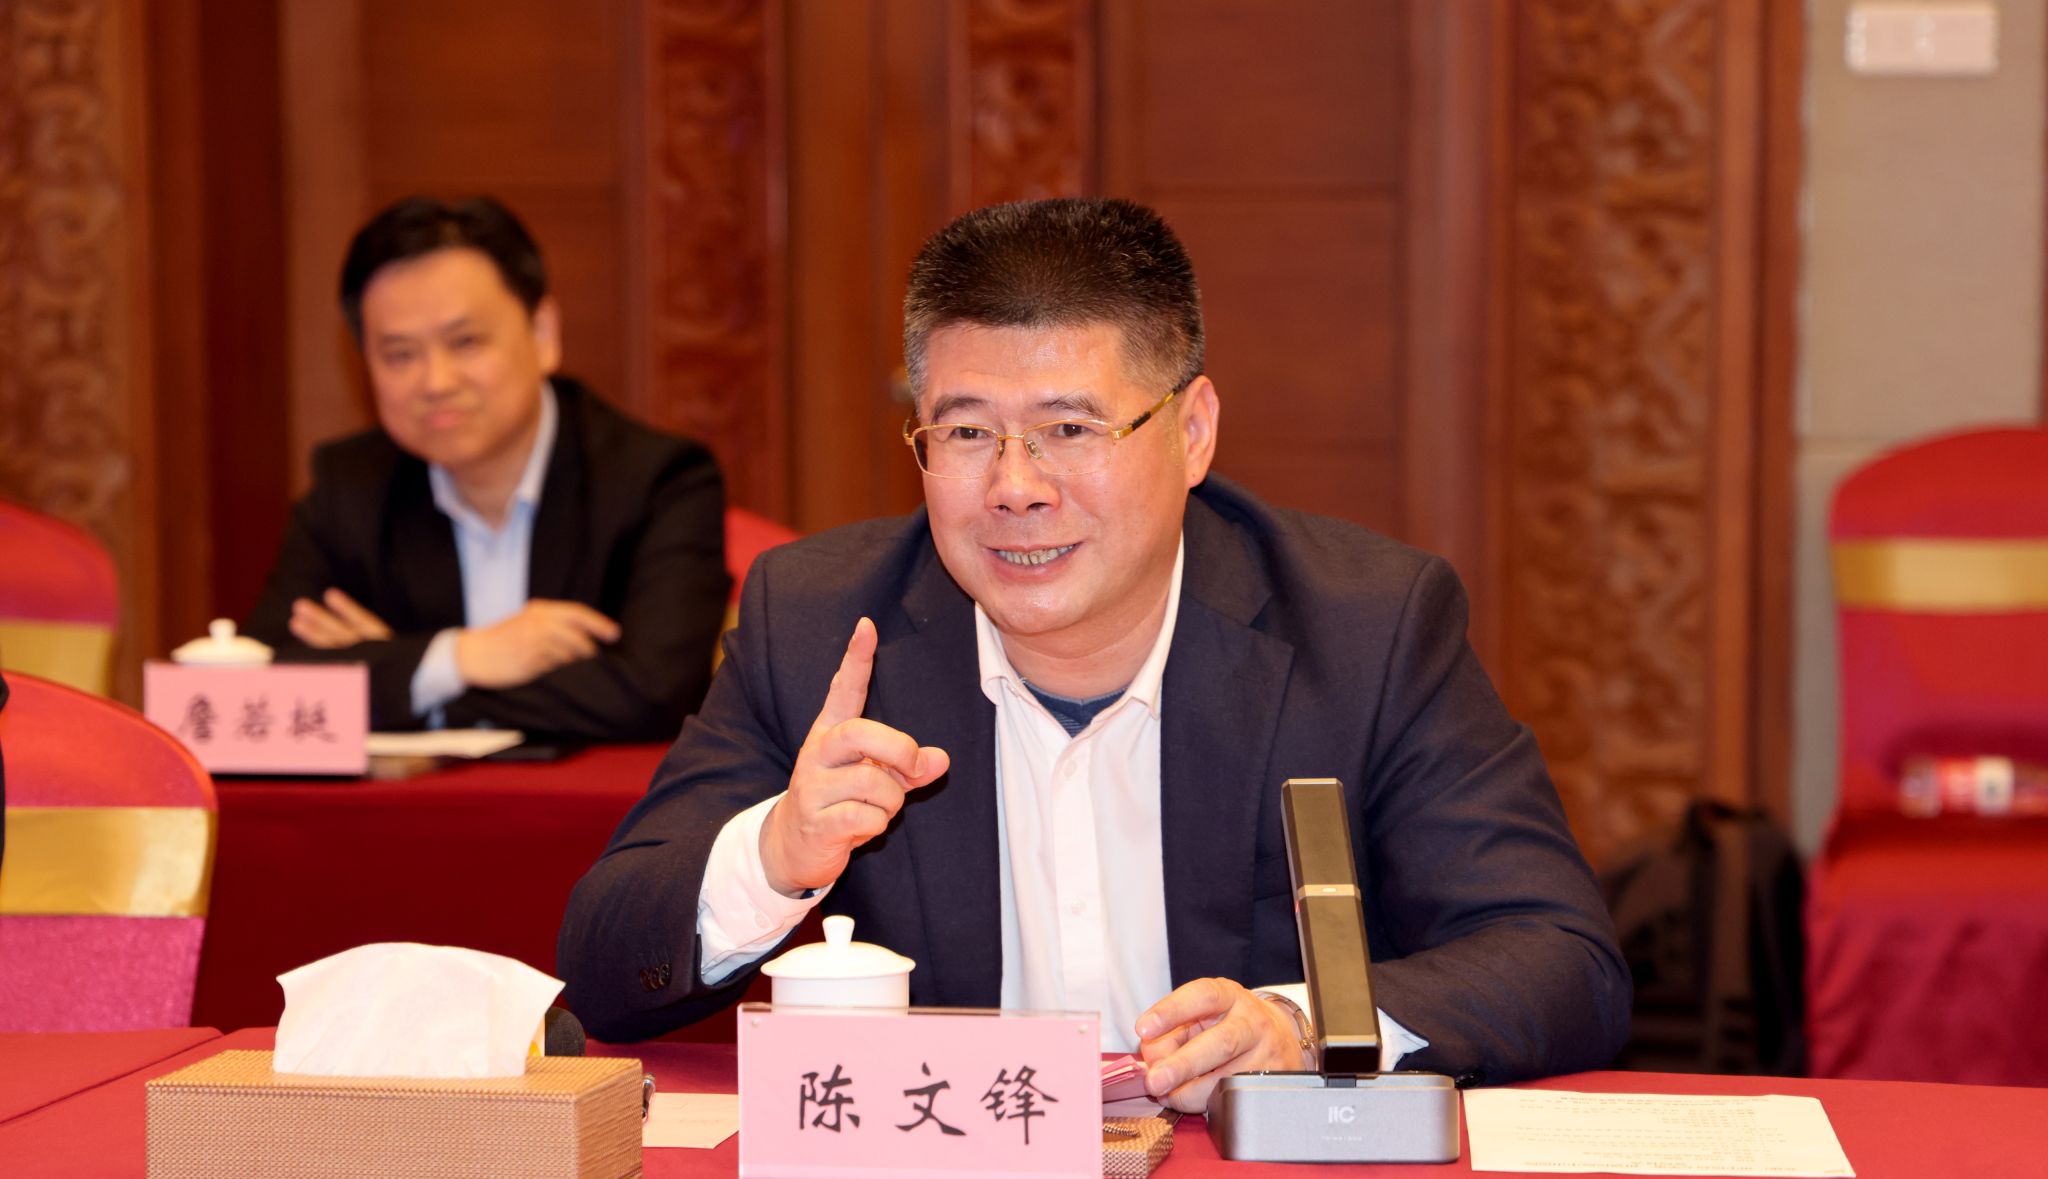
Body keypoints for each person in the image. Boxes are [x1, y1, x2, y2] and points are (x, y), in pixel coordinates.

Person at [558, 198, 1629, 1110]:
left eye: (1069, 430)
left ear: (1192, 431)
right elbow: (606, 975)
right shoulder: (822, 627)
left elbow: (1560, 959)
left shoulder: (1364, 629)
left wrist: (1304, 1026)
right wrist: (773, 855)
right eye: (965, 432)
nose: (1015, 487)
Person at [243, 196, 727, 742]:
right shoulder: (350, 487)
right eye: (401, 355)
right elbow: (262, 686)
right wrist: (461, 656)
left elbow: (655, 695)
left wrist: (408, 675)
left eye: (465, 342)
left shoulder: (659, 482)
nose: (436, 382)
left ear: (542, 334)